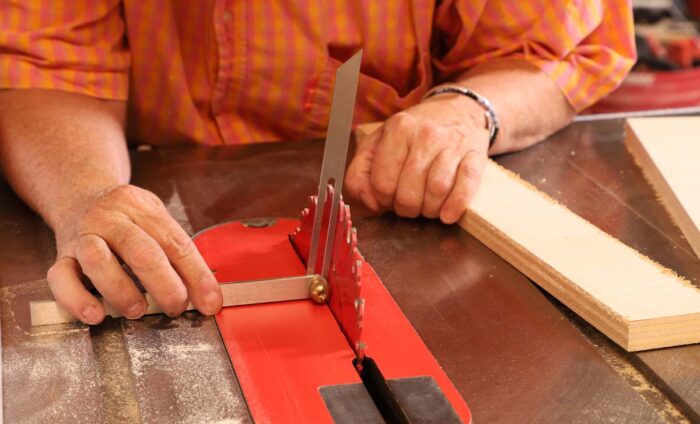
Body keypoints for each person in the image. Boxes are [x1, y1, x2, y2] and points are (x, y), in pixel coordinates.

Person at [0, 1, 636, 325]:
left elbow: (552, 51)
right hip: (147, 162)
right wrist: (87, 193)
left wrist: (468, 110)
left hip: (393, 211)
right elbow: (50, 61)